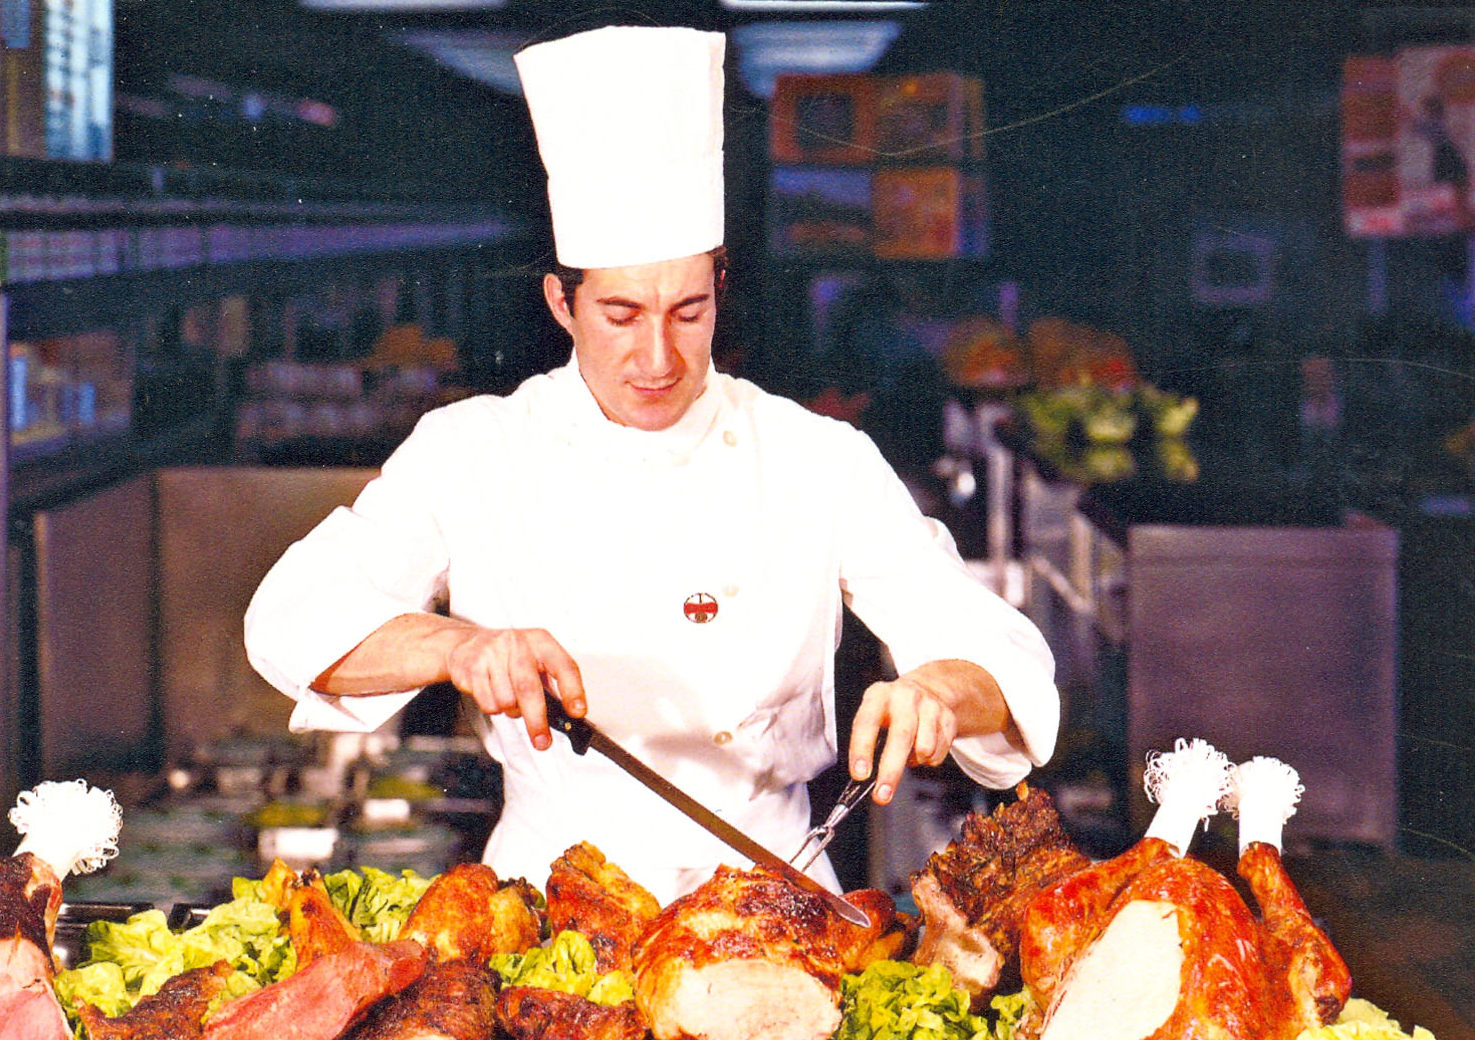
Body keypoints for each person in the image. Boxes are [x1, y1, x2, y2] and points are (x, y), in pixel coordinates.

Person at [245, 26, 1057, 900]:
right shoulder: (472, 451)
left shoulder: (817, 457)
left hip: (769, 894)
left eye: (687, 310)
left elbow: (994, 652)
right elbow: (292, 618)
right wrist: (457, 646)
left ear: (718, 291)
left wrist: (938, 688)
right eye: (622, 315)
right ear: (563, 301)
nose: (658, 357)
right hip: (547, 902)